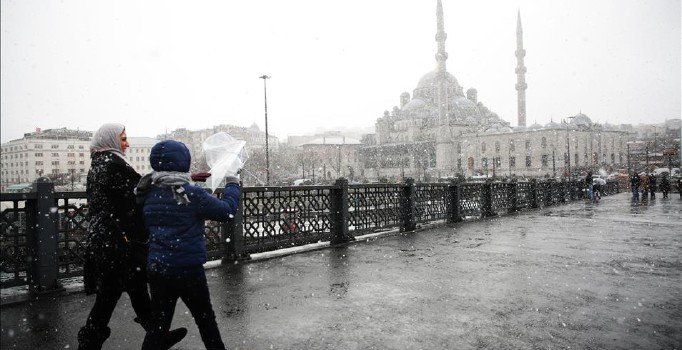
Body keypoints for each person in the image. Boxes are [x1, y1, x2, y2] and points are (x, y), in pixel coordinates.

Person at [79, 124, 186, 350]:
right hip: (116, 242)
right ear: (111, 140)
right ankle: (89, 343)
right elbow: (138, 193)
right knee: (109, 297)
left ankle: (158, 335)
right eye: (124, 139)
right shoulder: (113, 165)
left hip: (107, 238)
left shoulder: (99, 164)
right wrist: (177, 181)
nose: (127, 144)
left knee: (134, 288)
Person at [136, 140, 241, 350]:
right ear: (184, 162)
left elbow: (168, 188)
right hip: (188, 270)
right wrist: (232, 182)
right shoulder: (192, 194)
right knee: (205, 320)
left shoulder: (147, 191)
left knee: (159, 324)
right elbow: (227, 211)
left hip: (158, 268)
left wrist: (190, 179)